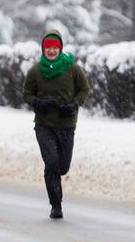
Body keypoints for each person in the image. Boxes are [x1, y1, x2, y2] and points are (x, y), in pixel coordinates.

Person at [22, 29, 89, 220]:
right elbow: (26, 94)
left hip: (66, 125)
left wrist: (74, 104)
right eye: (48, 47)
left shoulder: (73, 69)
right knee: (51, 163)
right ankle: (56, 204)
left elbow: (84, 89)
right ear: (43, 49)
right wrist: (38, 103)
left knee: (62, 167)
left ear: (60, 49)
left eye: (54, 47)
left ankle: (54, 183)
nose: (51, 51)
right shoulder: (35, 71)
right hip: (44, 125)